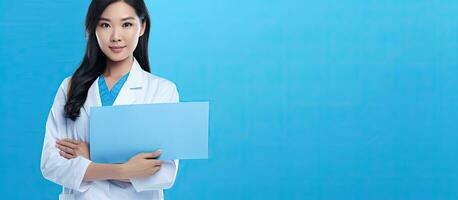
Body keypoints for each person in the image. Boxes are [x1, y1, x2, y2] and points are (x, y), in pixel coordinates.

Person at [40, 0, 179, 199]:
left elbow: (163, 173)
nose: (115, 36)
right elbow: (50, 164)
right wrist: (126, 170)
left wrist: (92, 156)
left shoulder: (162, 91)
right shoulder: (70, 87)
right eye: (105, 25)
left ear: (142, 27)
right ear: (93, 28)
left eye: (126, 24)